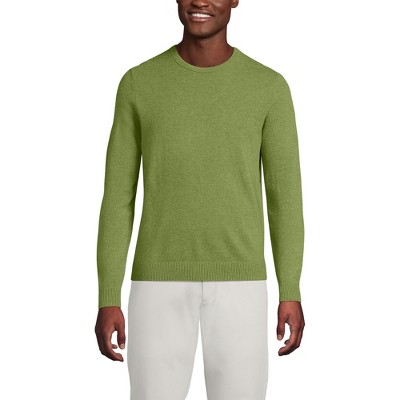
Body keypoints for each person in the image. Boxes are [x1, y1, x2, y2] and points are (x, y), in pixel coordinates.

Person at [94, 0, 305, 399]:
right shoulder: (139, 83)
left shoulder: (268, 88)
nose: (200, 1)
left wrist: (289, 289)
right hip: (156, 285)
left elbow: (285, 199)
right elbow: (118, 198)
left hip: (242, 285)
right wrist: (108, 295)